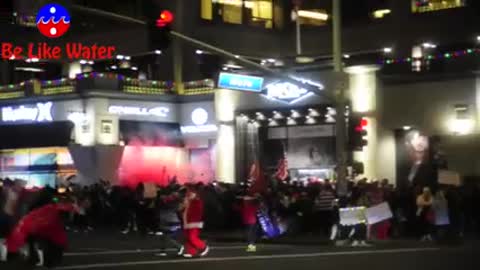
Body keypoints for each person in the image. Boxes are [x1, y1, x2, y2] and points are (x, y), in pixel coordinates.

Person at [5, 200, 79, 268]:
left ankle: (35, 259)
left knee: (39, 245)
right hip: (39, 231)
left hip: (35, 229)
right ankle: (43, 260)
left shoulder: (47, 210)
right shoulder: (53, 215)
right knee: (47, 246)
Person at [182, 186, 209, 258]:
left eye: (192, 193)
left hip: (194, 222)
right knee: (188, 237)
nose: (189, 194)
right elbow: (184, 210)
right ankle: (191, 251)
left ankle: (203, 246)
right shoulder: (188, 200)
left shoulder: (197, 201)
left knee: (192, 237)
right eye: (188, 193)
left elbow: (197, 212)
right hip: (187, 221)